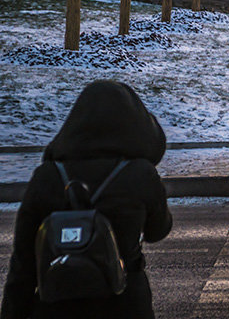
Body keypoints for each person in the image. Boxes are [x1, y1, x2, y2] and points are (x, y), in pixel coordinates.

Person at [1, 80, 173, 319]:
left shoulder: (48, 176)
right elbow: (158, 231)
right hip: (124, 305)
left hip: (55, 308)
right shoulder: (140, 174)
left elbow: (23, 264)